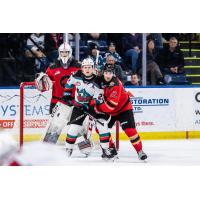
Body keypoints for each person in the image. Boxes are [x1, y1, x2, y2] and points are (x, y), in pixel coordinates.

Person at [64, 58, 117, 160]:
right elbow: (68, 85)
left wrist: (92, 106)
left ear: (93, 68)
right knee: (73, 129)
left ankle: (106, 150)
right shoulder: (76, 75)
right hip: (79, 106)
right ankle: (68, 149)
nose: (87, 69)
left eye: (89, 67)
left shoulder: (98, 79)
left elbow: (98, 98)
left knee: (102, 126)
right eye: (85, 67)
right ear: (82, 68)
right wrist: (67, 96)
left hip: (94, 108)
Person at [93, 64, 147, 160]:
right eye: (106, 73)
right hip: (109, 111)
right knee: (100, 129)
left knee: (130, 131)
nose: (107, 75)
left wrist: (97, 108)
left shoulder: (116, 84)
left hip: (123, 109)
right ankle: (111, 149)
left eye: (110, 73)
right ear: (103, 73)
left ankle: (140, 151)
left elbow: (110, 106)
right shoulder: (99, 79)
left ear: (113, 74)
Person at [35, 42, 81, 114]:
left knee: (72, 125)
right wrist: (41, 82)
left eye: (66, 52)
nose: (64, 54)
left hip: (74, 102)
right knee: (53, 125)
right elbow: (44, 85)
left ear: (70, 52)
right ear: (59, 53)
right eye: (62, 52)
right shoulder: (52, 67)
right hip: (56, 102)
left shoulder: (78, 66)